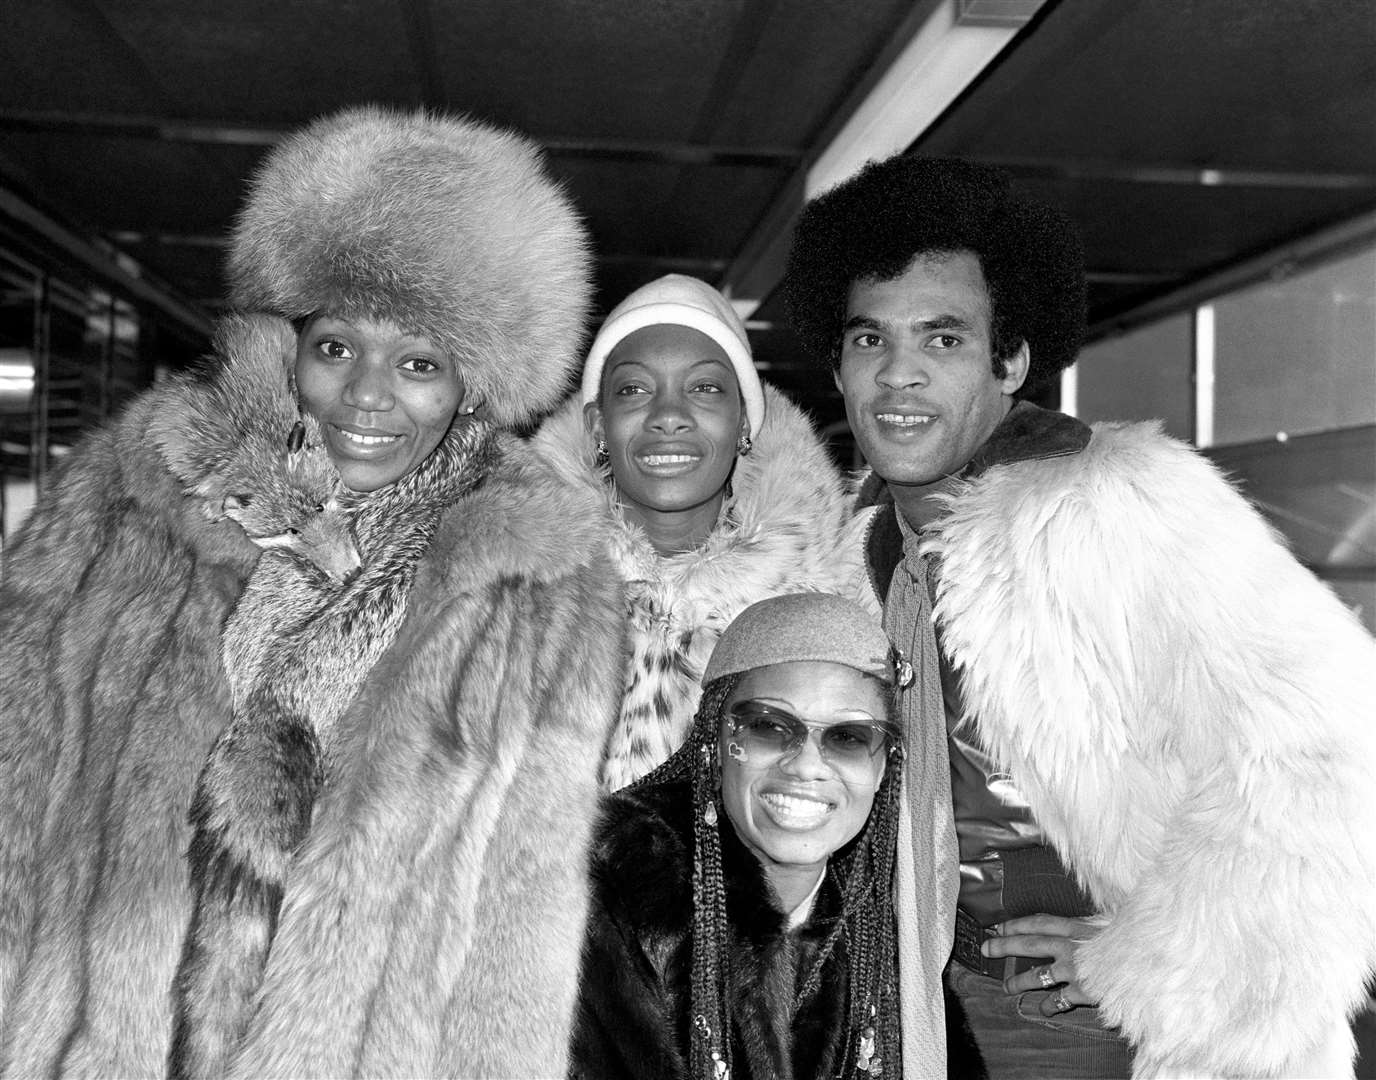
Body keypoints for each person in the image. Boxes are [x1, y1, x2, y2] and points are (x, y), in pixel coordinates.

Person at [0, 106, 624, 1080]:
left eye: (419, 362)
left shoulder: (532, 576)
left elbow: (521, 917)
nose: (366, 396)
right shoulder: (147, 490)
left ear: (473, 386)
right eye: (336, 346)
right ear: (286, 343)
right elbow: (16, 761)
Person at [782, 154, 1376, 1079]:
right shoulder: (859, 550)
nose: (898, 376)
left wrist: (1156, 961)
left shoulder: (1125, 507)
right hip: (921, 1003)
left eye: (942, 340)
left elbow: (1332, 738)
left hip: (1093, 1027)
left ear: (1011, 359)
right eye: (870, 341)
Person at [533, 274, 867, 791]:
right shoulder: (512, 596)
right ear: (599, 425)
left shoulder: (828, 608)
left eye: (705, 388)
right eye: (635, 389)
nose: (669, 416)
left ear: (744, 425)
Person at [570, 592, 916, 1080]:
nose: (807, 767)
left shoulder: (876, 914)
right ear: (712, 742)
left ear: (883, 769)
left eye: (848, 738)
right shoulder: (611, 880)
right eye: (769, 728)